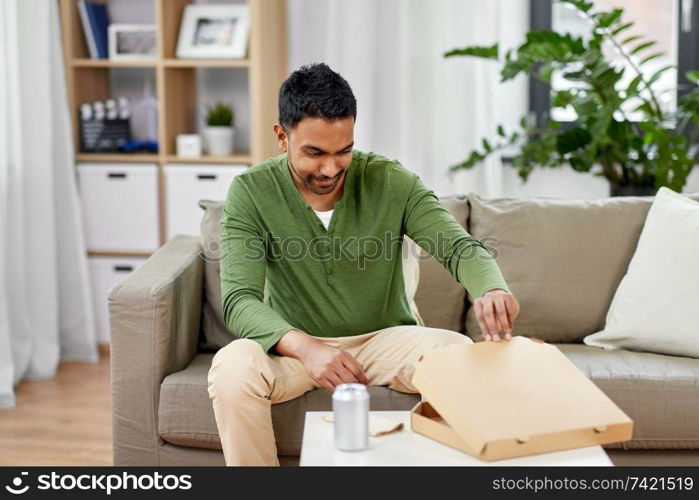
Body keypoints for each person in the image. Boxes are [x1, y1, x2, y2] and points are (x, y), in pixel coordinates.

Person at [207, 62, 521, 466]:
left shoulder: (391, 181)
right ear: (282, 137)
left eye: (344, 151)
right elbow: (239, 300)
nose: (331, 169)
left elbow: (458, 248)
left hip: (384, 341)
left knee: (459, 354)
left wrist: (492, 288)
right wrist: (307, 348)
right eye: (314, 153)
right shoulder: (251, 192)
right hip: (293, 349)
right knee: (232, 369)